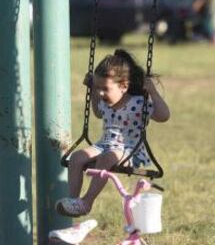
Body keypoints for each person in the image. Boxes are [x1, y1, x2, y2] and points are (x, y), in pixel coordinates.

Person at [56, 49, 171, 217]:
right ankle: (73, 201)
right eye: (98, 88)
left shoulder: (138, 103)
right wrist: (93, 91)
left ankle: (87, 202)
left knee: (108, 157)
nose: (101, 93)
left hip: (131, 150)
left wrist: (152, 92)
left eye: (104, 89)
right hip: (105, 145)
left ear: (124, 86)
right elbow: (97, 112)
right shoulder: (106, 102)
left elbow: (164, 116)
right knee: (77, 156)